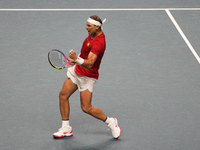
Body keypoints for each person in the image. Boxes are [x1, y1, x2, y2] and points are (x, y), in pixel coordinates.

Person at [53, 15, 121, 139]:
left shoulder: (99, 43)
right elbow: (85, 52)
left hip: (87, 77)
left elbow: (89, 64)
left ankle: (111, 122)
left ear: (97, 26)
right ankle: (66, 128)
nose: (86, 27)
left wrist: (76, 58)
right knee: (63, 95)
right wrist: (76, 60)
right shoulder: (92, 35)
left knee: (86, 108)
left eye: (88, 26)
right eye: (86, 25)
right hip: (76, 72)